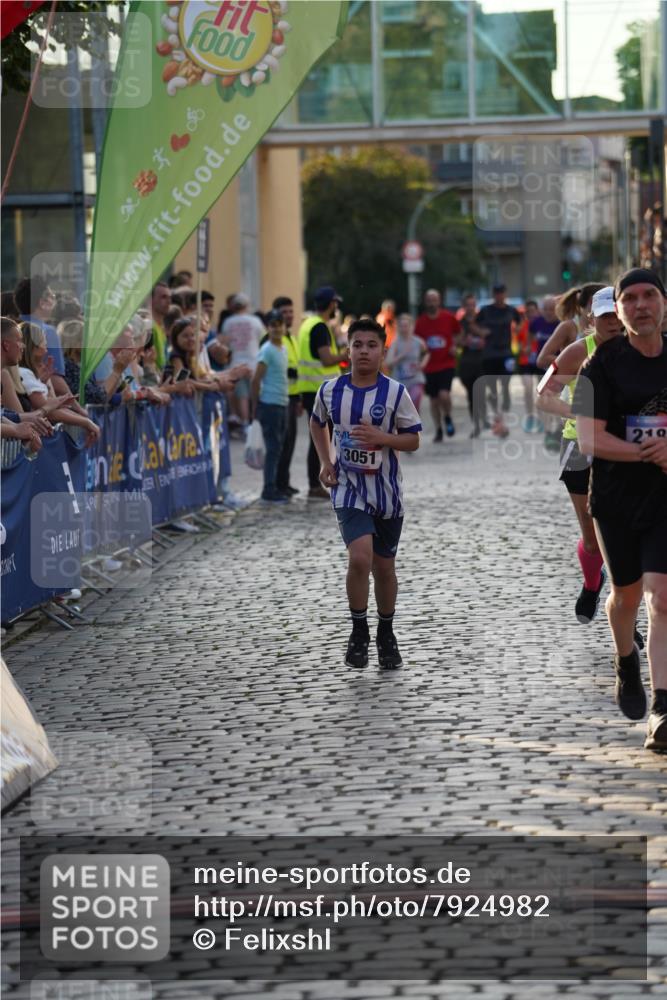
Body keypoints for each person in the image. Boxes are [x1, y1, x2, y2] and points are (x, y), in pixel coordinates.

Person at [572, 268, 667, 751]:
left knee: (662, 596)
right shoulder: (599, 367)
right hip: (613, 498)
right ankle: (626, 660)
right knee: (626, 597)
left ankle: (662, 708)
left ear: (664, 305)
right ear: (619, 310)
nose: (641, 305)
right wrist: (653, 452)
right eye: (630, 298)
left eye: (650, 295)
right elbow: (590, 439)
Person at [310, 317, 422, 670]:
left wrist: (383, 439)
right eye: (357, 345)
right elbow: (316, 421)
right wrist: (325, 460)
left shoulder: (395, 393)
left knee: (384, 568)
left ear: (382, 351)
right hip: (347, 488)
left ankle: (386, 633)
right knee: (360, 558)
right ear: (348, 350)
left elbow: (414, 439)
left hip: (386, 494)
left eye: (371, 345)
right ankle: (359, 629)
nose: (363, 351)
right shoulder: (330, 391)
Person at [536, 287, 623, 623]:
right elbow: (544, 397)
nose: (613, 322)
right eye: (606, 317)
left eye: (617, 315)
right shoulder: (577, 352)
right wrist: (578, 411)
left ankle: (623, 611)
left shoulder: (641, 350)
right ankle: (592, 583)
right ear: (592, 319)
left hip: (622, 448)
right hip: (578, 448)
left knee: (622, 533)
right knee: (592, 537)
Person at [296, 285, 349, 499]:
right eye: (335, 303)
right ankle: (315, 484)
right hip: (320, 391)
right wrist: (347, 354)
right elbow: (326, 359)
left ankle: (316, 482)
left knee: (319, 437)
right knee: (319, 439)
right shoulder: (319, 327)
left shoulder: (308, 324)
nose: (337, 306)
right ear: (331, 304)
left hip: (310, 389)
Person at [537, 285, 603, 451]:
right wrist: (580, 364)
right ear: (586, 305)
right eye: (596, 305)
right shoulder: (568, 327)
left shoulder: (615, 331)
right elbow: (542, 359)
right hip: (571, 389)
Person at [250, 309, 289, 504]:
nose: (276, 328)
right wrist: (255, 407)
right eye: (273, 325)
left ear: (284, 327)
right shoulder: (266, 350)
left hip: (282, 403)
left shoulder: (283, 348)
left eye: (279, 324)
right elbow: (256, 380)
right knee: (273, 449)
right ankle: (268, 489)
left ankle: (274, 486)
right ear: (268, 327)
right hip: (270, 404)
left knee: (278, 447)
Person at [414, 288, 460, 441]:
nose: (432, 303)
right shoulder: (420, 322)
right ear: (425, 302)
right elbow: (417, 344)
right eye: (429, 300)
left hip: (446, 363)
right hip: (429, 366)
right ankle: (438, 429)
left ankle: (447, 416)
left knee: (444, 395)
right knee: (433, 400)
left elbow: (459, 333)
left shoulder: (448, 317)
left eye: (435, 300)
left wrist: (455, 346)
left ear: (439, 301)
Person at [477, 283, 520, 430]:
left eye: (501, 293)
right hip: (489, 353)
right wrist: (480, 332)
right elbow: (473, 324)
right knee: (492, 387)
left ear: (505, 294)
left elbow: (520, 321)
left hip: (506, 352)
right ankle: (496, 411)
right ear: (493, 294)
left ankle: (505, 399)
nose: (499, 296)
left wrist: (517, 332)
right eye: (497, 293)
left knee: (506, 381)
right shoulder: (486, 310)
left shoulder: (511, 310)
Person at [220, 293, 265, 426]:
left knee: (242, 396)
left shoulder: (228, 322)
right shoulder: (255, 321)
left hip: (236, 363)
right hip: (254, 362)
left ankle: (245, 423)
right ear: (246, 305)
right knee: (256, 395)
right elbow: (263, 338)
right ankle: (257, 421)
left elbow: (225, 343)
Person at [272, 296, 302, 496]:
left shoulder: (291, 337)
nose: (289, 316)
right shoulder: (273, 338)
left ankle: (284, 482)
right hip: (277, 397)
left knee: (290, 442)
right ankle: (276, 484)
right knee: (280, 443)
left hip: (291, 396)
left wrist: (298, 397)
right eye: (285, 312)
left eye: (291, 312)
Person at [385, 312, 428, 415]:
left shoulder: (418, 342)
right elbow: (388, 363)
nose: (404, 329)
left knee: (413, 402)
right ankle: (407, 427)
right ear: (398, 327)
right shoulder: (395, 343)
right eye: (401, 326)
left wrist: (422, 364)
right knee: (402, 409)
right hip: (399, 381)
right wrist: (401, 356)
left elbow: (426, 354)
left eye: (406, 326)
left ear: (412, 326)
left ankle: (415, 427)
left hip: (416, 379)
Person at [456, 293, 486, 437]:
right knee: (471, 396)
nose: (471, 308)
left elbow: (488, 335)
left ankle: (483, 419)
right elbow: (457, 342)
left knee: (479, 393)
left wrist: (481, 337)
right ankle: (477, 425)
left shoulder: (482, 320)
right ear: (464, 307)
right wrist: (464, 341)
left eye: (473, 305)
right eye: (468, 305)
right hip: (467, 362)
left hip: (481, 361)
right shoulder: (460, 323)